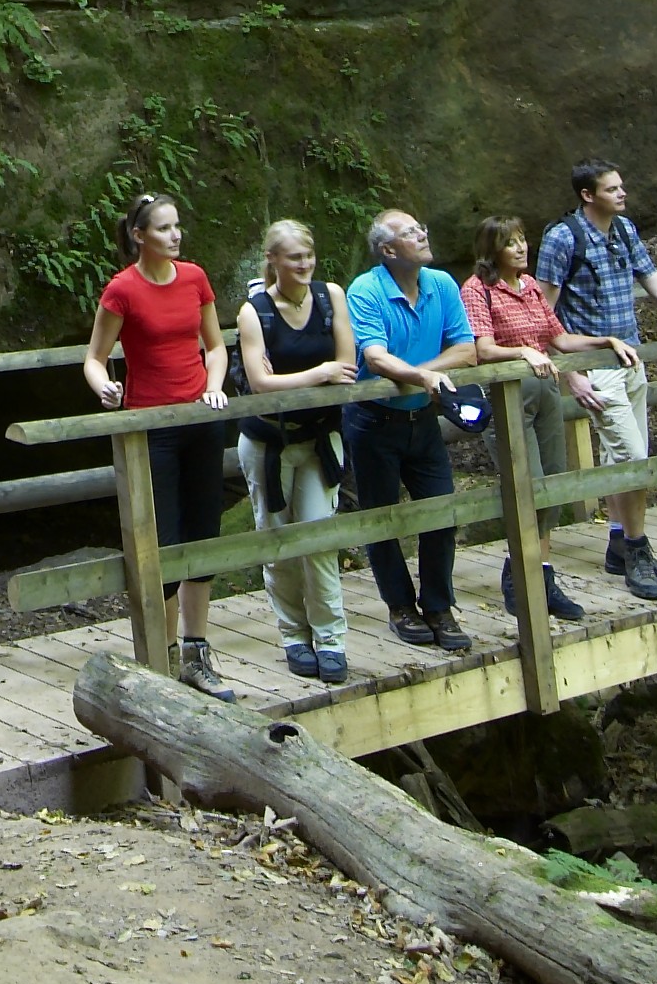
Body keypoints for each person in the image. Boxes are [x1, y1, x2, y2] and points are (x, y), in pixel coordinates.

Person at [536, 161, 657, 602]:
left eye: (622, 186)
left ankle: (620, 543)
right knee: (634, 459)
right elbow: (543, 315)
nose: (622, 194)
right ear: (587, 195)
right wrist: (571, 375)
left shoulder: (624, 230)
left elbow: (655, 285)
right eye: (612, 189)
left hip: (630, 359)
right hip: (595, 365)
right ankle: (637, 550)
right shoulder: (562, 238)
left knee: (623, 457)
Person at [84, 191, 236, 698]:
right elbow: (95, 357)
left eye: (178, 227)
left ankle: (197, 650)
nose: (176, 236)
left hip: (201, 417)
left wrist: (214, 387)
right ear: (139, 235)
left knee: (203, 532)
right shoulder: (122, 290)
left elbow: (216, 346)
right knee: (164, 539)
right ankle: (164, 654)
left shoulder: (194, 278)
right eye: (165, 228)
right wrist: (104, 386)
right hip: (151, 426)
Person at [342, 209, 479, 653]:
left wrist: (423, 374)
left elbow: (466, 349)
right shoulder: (366, 289)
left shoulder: (439, 284)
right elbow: (375, 357)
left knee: (440, 511)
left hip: (422, 418)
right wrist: (423, 377)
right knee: (382, 517)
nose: (422, 234)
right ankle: (399, 606)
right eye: (410, 232)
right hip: (373, 419)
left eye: (422, 227)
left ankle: (439, 605)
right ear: (387, 250)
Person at [464, 214, 608, 623]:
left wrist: (605, 340)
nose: (522, 248)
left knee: (554, 485)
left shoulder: (530, 288)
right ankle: (522, 575)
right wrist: (523, 352)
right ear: (493, 250)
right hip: (508, 397)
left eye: (523, 240)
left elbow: (558, 338)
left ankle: (541, 574)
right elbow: (483, 349)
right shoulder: (478, 290)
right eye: (511, 243)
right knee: (528, 485)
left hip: (545, 391)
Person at [232, 219, 356, 684]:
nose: (304, 265)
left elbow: (348, 364)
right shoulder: (255, 311)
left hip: (320, 437)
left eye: (308, 255)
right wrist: (320, 372)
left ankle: (331, 639)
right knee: (277, 540)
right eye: (293, 258)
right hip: (268, 442)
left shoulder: (331, 297)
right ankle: (293, 636)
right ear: (274, 261)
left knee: (320, 538)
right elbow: (262, 385)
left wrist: (316, 373)